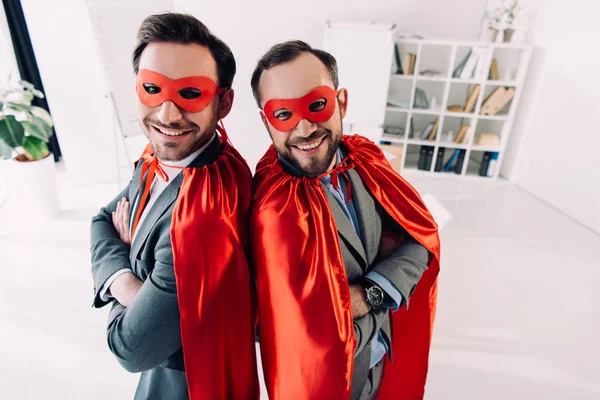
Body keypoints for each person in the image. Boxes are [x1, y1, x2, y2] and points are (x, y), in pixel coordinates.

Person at [249, 40, 441, 400]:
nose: (305, 128)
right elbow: (309, 336)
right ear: (265, 122)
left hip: (383, 362)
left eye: (317, 105)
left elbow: (420, 240)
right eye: (283, 114)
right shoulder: (272, 206)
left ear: (341, 102)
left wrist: (370, 292)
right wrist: (383, 293)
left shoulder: (364, 158)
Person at [90, 13, 258, 400]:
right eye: (152, 89)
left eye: (190, 94)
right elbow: (102, 219)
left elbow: (130, 347)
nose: (167, 115)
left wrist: (131, 285)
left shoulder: (202, 216)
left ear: (223, 102)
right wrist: (126, 282)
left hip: (190, 385)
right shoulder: (167, 154)